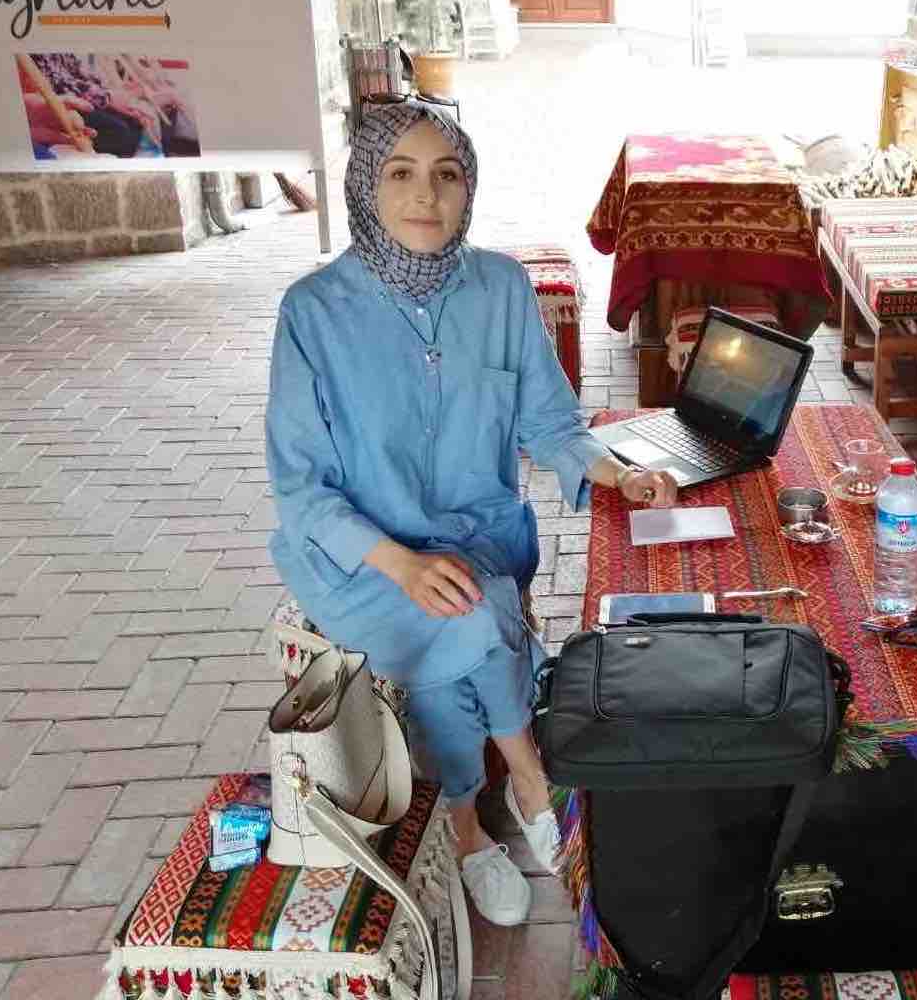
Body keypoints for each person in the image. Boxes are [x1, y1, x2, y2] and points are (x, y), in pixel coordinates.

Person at [265, 100, 679, 926]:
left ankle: (468, 823)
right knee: (473, 613)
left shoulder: (501, 287)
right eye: (401, 173)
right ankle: (520, 784)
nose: (427, 195)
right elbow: (301, 488)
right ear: (365, 187)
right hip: (360, 561)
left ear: (469, 188)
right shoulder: (313, 311)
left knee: (469, 603)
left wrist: (615, 472)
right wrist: (401, 564)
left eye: (447, 175)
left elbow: (549, 422)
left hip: (479, 539)